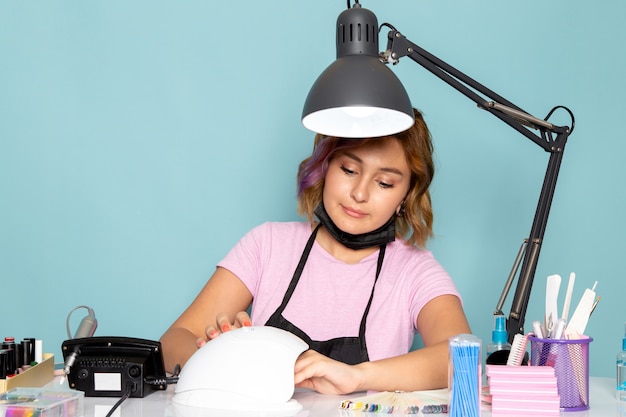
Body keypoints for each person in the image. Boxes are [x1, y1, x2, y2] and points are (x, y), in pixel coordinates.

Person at [160, 108, 471, 394]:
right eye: (349, 169)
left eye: (385, 183)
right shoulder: (266, 244)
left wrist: (358, 376)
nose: (359, 194)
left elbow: (461, 359)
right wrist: (220, 360)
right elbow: (174, 340)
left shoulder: (415, 272)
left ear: (406, 195)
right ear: (325, 167)